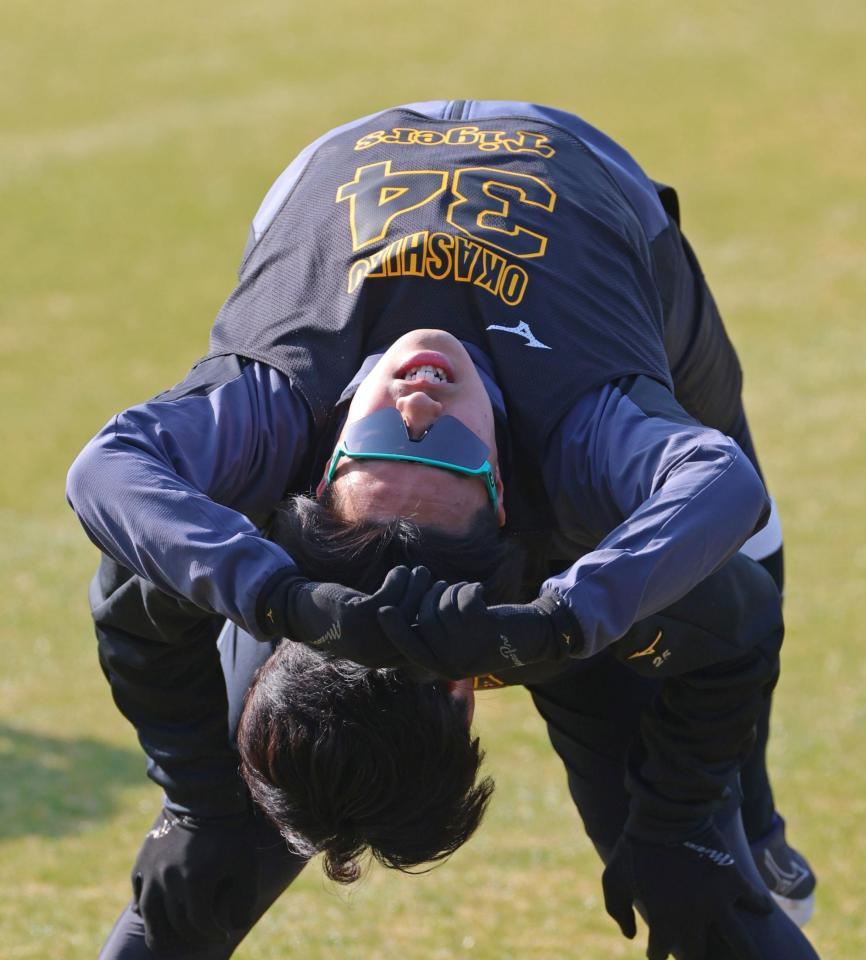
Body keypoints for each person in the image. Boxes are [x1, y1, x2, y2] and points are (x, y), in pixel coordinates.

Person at [66, 100, 817, 959]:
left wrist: (284, 600)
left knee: (707, 857)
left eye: (382, 446)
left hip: (602, 208)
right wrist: (196, 799)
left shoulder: (282, 412)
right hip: (521, 535)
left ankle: (756, 829)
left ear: (322, 468)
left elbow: (728, 513)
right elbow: (129, 581)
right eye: (448, 452)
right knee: (208, 860)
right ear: (500, 499)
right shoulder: (580, 445)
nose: (417, 403)